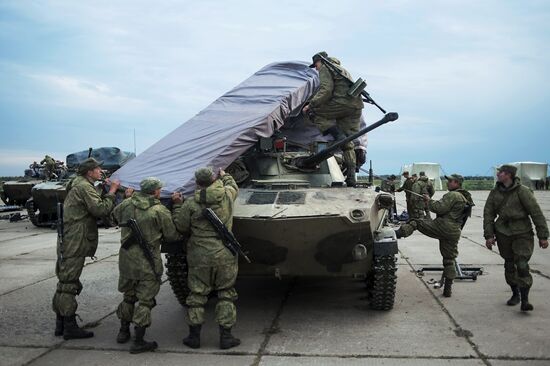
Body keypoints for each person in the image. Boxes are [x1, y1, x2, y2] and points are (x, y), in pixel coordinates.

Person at [172, 167, 241, 350]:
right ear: (214, 179)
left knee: (196, 295)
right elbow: (232, 185)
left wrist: (178, 205)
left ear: (197, 183)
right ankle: (226, 337)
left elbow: (181, 226)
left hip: (199, 255)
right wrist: (225, 176)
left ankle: (194, 337)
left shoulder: (190, 203)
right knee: (226, 293)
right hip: (224, 253)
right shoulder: (226, 195)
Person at [110, 177, 181, 353]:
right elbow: (172, 235)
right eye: (159, 189)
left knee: (129, 296)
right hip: (148, 261)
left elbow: (112, 218)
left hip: (127, 259)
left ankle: (123, 331)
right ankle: (139, 340)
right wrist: (177, 206)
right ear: (155, 191)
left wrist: (127, 199)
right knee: (145, 301)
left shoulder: (126, 205)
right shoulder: (159, 210)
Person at [52, 158, 120, 339]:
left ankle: (61, 323)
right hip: (77, 237)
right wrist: (112, 192)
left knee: (65, 281)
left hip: (71, 235)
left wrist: (102, 188)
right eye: (98, 169)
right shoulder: (84, 187)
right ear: (89, 172)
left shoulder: (80, 184)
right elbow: (99, 209)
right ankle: (69, 327)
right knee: (69, 283)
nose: (100, 171)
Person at [483, 164, 548, 311]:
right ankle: (515, 294)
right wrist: (489, 235)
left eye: (501, 172)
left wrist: (543, 236)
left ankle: (525, 300)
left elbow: (536, 213)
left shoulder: (522, 191)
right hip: (503, 232)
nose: (498, 174)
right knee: (509, 264)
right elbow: (488, 214)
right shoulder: (495, 192)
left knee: (522, 264)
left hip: (522, 232)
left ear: (509, 175)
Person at [396, 174, 473, 297]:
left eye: (451, 181)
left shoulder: (453, 195)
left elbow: (439, 208)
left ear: (457, 183)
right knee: (449, 260)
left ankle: (397, 234)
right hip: (454, 230)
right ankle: (448, 289)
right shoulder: (464, 196)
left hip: (443, 226)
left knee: (416, 221)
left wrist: (428, 200)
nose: (448, 183)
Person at [302, 51, 364, 187]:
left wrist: (310, 105)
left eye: (316, 65)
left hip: (341, 103)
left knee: (315, 113)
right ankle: (351, 177)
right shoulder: (342, 69)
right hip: (355, 107)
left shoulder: (326, 67)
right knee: (348, 143)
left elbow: (326, 90)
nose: (316, 68)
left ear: (320, 61)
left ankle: (338, 136)